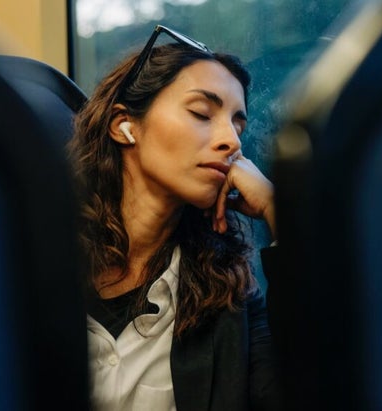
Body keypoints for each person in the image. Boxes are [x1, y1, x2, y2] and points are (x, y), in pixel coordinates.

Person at [67, 25, 281, 411]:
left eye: (238, 124)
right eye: (202, 113)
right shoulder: (34, 259)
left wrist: (276, 210)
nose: (232, 142)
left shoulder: (230, 292)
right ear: (123, 125)